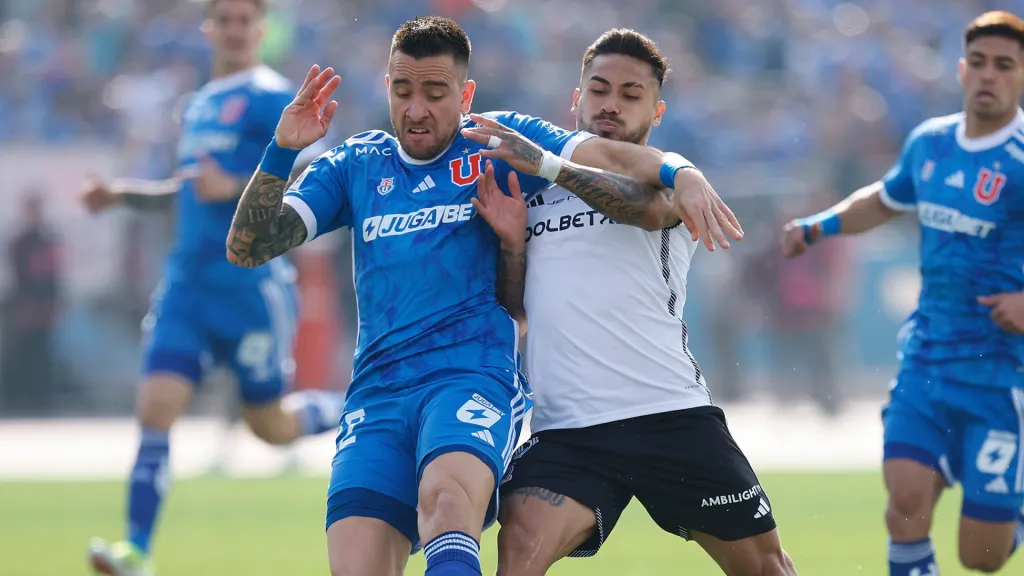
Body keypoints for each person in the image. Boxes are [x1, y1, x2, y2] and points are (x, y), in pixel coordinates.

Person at [224, 16, 741, 576]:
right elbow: (249, 247)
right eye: (402, 91)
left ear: (465, 94)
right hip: (377, 395)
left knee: (446, 505)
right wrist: (279, 151)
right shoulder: (354, 165)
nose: (416, 109)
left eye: (434, 93)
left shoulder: (495, 141)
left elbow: (615, 160)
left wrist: (681, 171)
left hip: (469, 376)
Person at [468, 28, 795, 576]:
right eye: (598, 90)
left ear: (656, 110)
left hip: (668, 415)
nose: (610, 105)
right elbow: (516, 308)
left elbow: (639, 209)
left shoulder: (670, 180)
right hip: (567, 430)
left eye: (630, 94)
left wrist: (551, 164)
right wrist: (511, 244)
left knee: (767, 569)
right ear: (576, 99)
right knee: (516, 552)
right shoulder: (535, 192)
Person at [81, 2, 342, 575]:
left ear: (261, 29)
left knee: (269, 428)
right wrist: (121, 193)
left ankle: (355, 407)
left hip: (251, 288)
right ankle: (136, 550)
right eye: (222, 19)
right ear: (209, 29)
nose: (232, 29)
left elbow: (321, 169)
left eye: (243, 20)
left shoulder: (273, 95)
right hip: (186, 287)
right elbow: (190, 190)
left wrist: (241, 183)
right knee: (156, 407)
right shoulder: (197, 105)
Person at [782, 11, 1024, 576]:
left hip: (1001, 374)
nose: (990, 75)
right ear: (963, 70)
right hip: (928, 360)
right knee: (905, 504)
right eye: (981, 63)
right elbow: (886, 200)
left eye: (1005, 65)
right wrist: (819, 225)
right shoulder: (930, 143)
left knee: (982, 559)